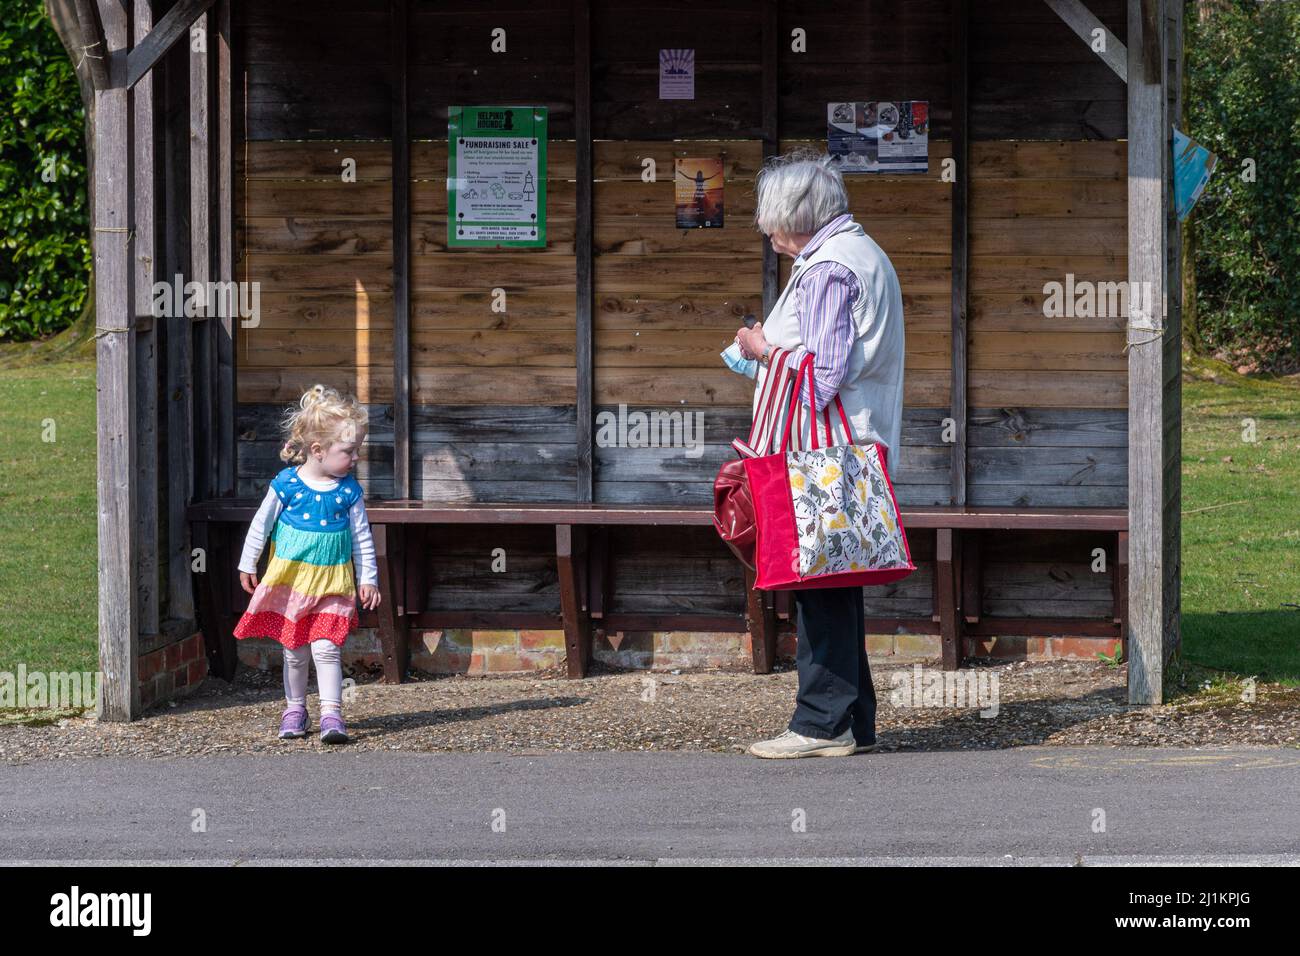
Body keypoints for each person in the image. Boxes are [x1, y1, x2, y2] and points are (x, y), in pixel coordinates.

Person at [734, 146, 905, 758]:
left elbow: (823, 375)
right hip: (848, 446)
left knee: (818, 585)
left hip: (822, 450)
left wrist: (761, 349)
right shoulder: (860, 252)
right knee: (835, 583)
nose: (767, 232)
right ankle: (850, 721)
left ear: (794, 215)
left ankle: (817, 724)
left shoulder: (830, 268)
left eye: (770, 219)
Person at [233, 384, 381, 744]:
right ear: (318, 450)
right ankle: (295, 709)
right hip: (292, 582)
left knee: (327, 647)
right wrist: (248, 562)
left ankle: (332, 713)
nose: (356, 457)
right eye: (349, 451)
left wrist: (369, 578)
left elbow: (362, 538)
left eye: (357, 449)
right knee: (295, 650)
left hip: (333, 582)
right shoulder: (287, 485)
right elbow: (261, 524)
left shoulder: (349, 493)